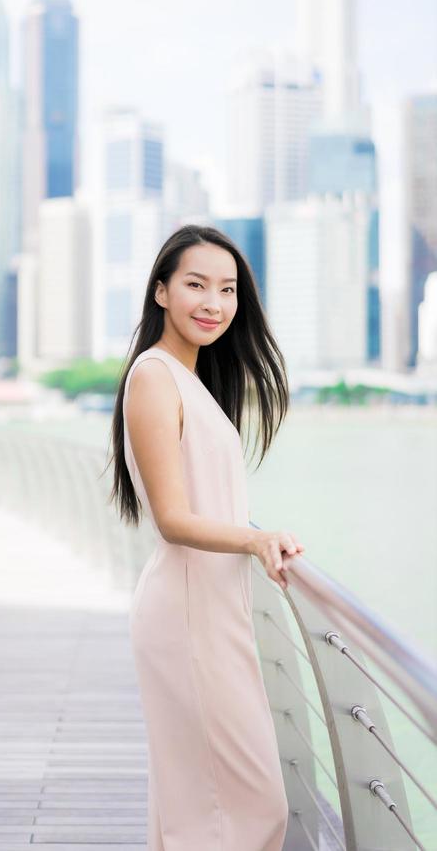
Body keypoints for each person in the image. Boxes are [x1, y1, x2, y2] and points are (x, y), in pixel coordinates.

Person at [108, 224, 305, 850]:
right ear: (161, 291)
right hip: (188, 615)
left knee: (197, 804)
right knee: (254, 806)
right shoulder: (155, 376)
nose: (213, 303)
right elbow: (173, 519)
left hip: (215, 613)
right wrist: (254, 540)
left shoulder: (192, 380)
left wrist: (253, 539)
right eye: (195, 285)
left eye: (227, 290)